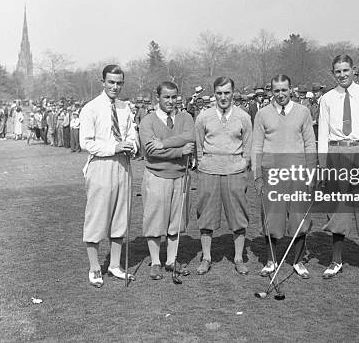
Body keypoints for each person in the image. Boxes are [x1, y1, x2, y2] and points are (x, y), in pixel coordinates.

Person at [318, 54, 359, 283]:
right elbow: (323, 135)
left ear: (353, 70)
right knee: (338, 209)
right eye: (338, 71)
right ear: (333, 73)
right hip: (337, 152)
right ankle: (336, 261)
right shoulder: (326, 99)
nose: (342, 75)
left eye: (346, 70)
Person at [252, 74, 316, 278]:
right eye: (276, 90)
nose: (280, 94)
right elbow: (257, 147)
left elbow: (309, 144)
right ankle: (271, 261)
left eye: (284, 90)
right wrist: (257, 176)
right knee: (272, 218)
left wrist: (311, 173)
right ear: (272, 91)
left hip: (298, 173)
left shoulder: (303, 112)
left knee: (299, 217)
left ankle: (297, 262)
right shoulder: (262, 114)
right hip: (271, 173)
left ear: (291, 89)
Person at [80, 64, 138, 288]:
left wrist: (132, 145)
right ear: (103, 82)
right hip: (101, 165)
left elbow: (132, 134)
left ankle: (115, 265)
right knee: (97, 216)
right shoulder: (91, 108)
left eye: (119, 83)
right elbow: (87, 142)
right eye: (111, 82)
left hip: (123, 165)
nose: (115, 87)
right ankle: (95, 267)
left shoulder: (126, 108)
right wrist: (114, 147)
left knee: (120, 216)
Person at [195, 76, 253, 275]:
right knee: (206, 216)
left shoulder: (244, 116)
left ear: (233, 93)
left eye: (227, 93)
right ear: (214, 94)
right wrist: (203, 162)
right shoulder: (203, 116)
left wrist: (244, 163)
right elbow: (199, 145)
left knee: (238, 215)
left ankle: (238, 258)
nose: (223, 97)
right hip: (209, 170)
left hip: (235, 171)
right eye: (219, 93)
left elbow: (248, 145)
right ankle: (206, 258)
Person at [138, 81, 195, 280]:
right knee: (154, 220)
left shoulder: (186, 117)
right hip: (156, 176)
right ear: (158, 98)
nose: (171, 101)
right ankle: (155, 262)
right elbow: (151, 151)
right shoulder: (148, 121)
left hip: (180, 175)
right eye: (166, 97)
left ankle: (171, 261)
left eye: (174, 97)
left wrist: (163, 143)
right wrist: (179, 150)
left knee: (176, 221)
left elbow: (190, 136)